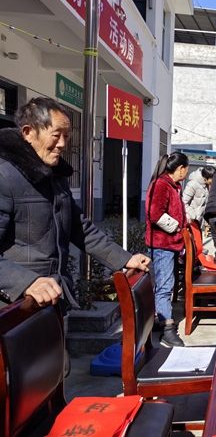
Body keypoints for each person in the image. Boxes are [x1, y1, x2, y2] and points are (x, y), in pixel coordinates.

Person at [0, 97, 150, 308]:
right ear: (28, 132)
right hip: (17, 308)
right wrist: (26, 282)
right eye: (56, 135)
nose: (62, 144)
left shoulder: (55, 176)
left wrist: (125, 259)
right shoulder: (5, 176)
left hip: (54, 300)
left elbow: (80, 228)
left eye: (67, 136)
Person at [145, 152, 189, 347]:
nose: (186, 173)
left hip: (169, 243)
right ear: (180, 169)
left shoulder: (171, 185)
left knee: (164, 284)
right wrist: (177, 228)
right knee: (165, 286)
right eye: (186, 169)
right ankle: (167, 329)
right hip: (163, 244)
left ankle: (161, 319)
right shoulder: (162, 184)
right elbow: (155, 214)